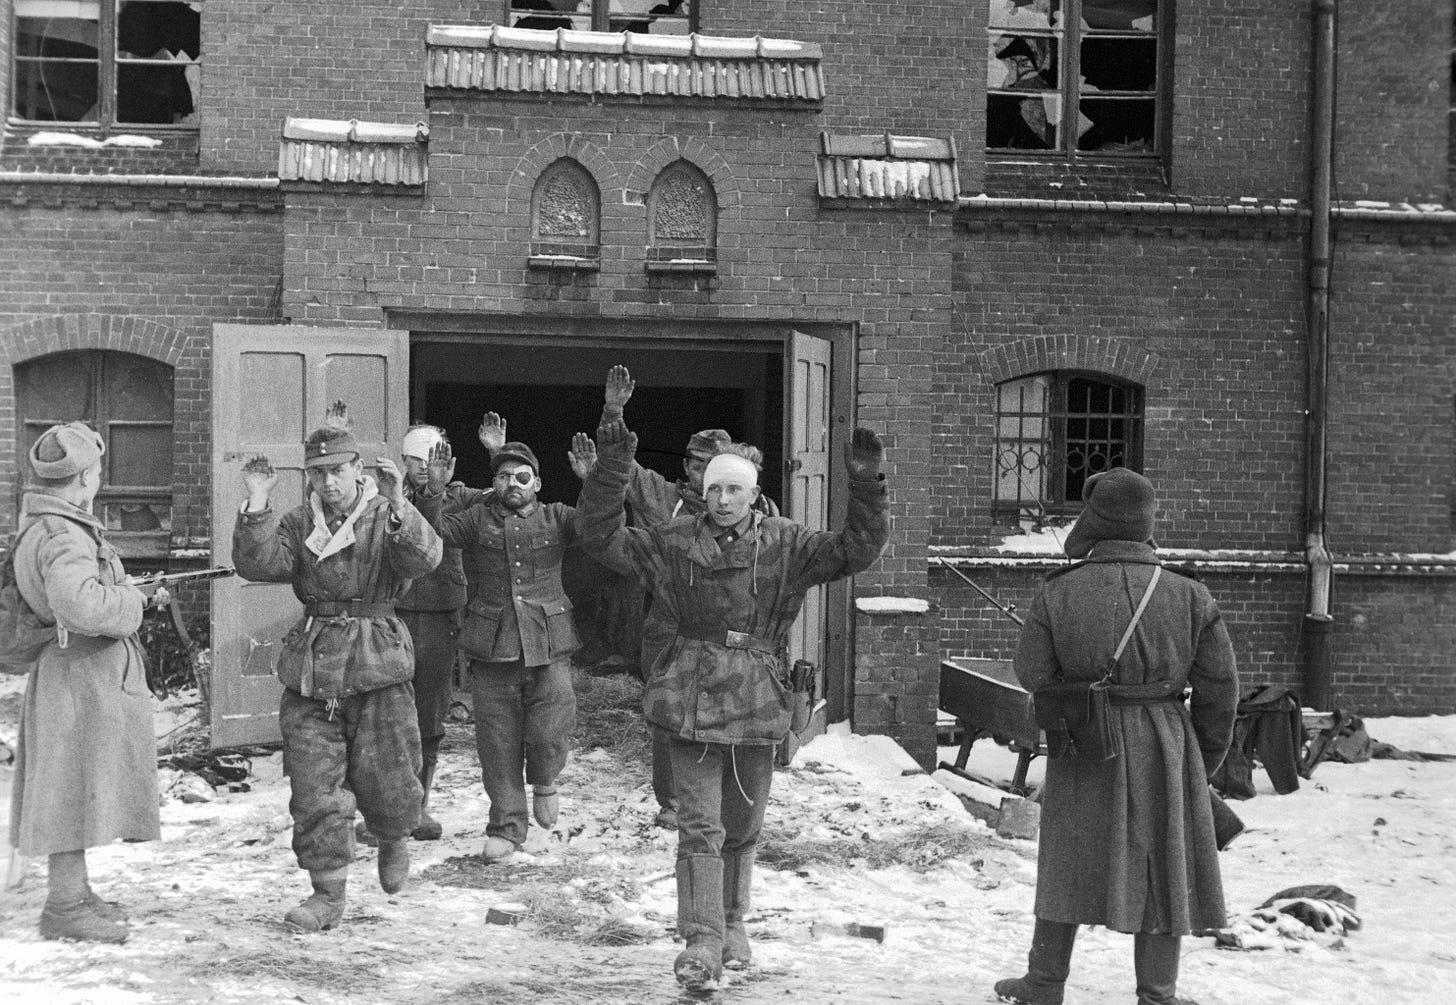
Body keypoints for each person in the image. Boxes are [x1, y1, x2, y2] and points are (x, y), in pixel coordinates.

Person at [574, 398, 890, 989]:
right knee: (699, 827)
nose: (722, 500)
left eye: (734, 490)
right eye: (715, 488)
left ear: (753, 493)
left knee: (742, 827)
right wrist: (613, 463)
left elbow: (856, 551)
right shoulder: (671, 543)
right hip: (689, 697)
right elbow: (598, 537)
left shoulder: (788, 544)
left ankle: (732, 923)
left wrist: (867, 485)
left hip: (757, 700)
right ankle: (700, 940)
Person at [994, 467, 1239, 1005]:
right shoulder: (1191, 595)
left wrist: (1076, 698)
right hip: (1166, 740)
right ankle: (1157, 994)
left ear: (1093, 521)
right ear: (1147, 523)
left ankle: (1042, 985)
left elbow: (1034, 673)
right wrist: (1200, 758)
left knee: (1067, 859)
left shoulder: (1058, 591)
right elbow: (1221, 690)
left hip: (1085, 737)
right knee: (1164, 863)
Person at [232, 401, 442, 932]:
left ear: (358, 471)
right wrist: (257, 502)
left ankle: (394, 838)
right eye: (318, 473)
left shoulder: (382, 515)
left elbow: (425, 560)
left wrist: (401, 506)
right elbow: (260, 564)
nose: (328, 482)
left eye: (337, 471)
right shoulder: (299, 521)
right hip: (314, 664)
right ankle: (327, 893)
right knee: (314, 785)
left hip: (377, 659)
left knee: (389, 771)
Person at [595, 365, 780, 832]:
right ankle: (672, 800)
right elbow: (623, 469)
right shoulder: (664, 499)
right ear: (687, 466)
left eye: (716, 467)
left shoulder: (756, 511)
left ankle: (722, 798)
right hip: (671, 629)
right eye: (697, 465)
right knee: (669, 718)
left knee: (733, 713)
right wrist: (613, 412)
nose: (705, 477)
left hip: (730, 636)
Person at [8, 422, 169, 943]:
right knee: (69, 789)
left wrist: (123, 588)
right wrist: (134, 602)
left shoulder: (52, 525)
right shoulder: (63, 535)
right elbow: (78, 604)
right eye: (96, 472)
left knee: (72, 785)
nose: (98, 480)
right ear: (83, 478)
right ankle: (64, 906)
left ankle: (74, 893)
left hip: (73, 673)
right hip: (78, 675)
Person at [415, 434, 593, 863]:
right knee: (496, 740)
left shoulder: (558, 517)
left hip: (548, 642)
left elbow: (599, 529)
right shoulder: (477, 518)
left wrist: (593, 483)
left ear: (538, 483)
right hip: (492, 644)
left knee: (553, 721)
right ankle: (507, 826)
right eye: (503, 476)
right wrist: (435, 491)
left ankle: (546, 783)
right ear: (492, 482)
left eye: (522, 476)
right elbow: (431, 537)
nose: (512, 483)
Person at [357, 424, 488, 846]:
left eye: (429, 463)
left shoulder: (460, 497)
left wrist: (496, 455)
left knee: (428, 714)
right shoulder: (385, 498)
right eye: (415, 462)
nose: (421, 471)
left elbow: (493, 502)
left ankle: (418, 806)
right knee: (384, 712)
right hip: (390, 613)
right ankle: (384, 811)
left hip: (436, 616)